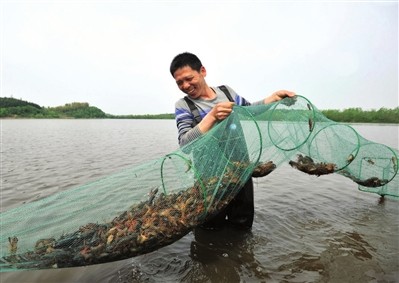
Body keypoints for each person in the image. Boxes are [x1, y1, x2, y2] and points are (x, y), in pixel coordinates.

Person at [170, 52, 295, 230]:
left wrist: (273, 98)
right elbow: (185, 145)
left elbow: (250, 110)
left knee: (242, 223)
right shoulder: (184, 106)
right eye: (179, 82)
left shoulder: (226, 92)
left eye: (189, 78)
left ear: (202, 71)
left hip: (240, 171)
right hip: (209, 179)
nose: (185, 85)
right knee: (210, 229)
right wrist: (211, 117)